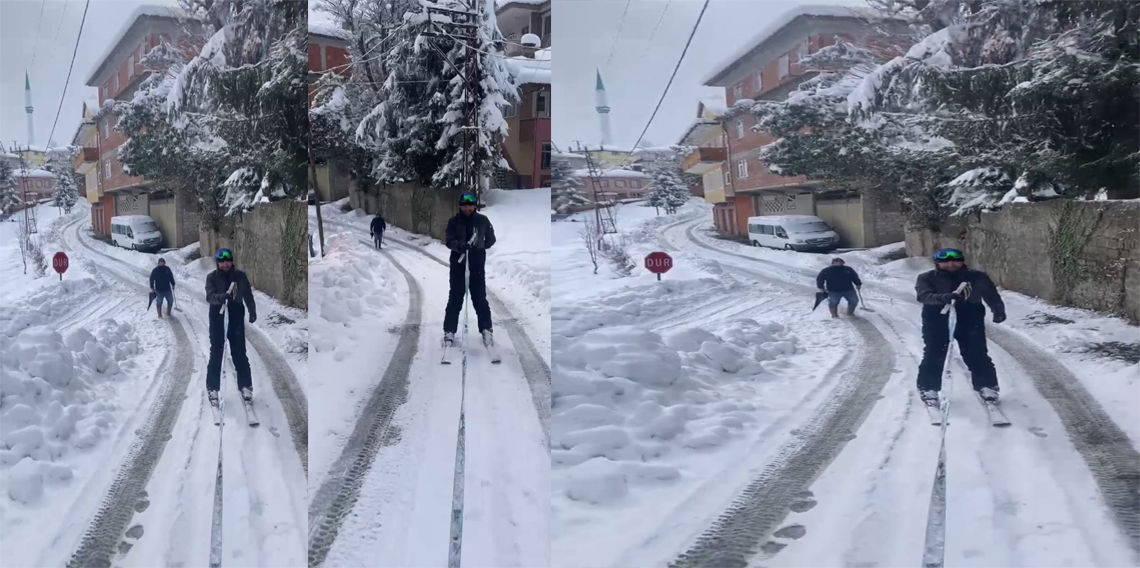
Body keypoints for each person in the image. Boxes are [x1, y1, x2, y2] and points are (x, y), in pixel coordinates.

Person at [915, 248, 1006, 404]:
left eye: (955, 260)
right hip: (937, 318)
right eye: (945, 262)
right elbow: (923, 296)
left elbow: (991, 294)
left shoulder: (977, 277)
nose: (951, 264)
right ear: (937, 263)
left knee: (976, 352)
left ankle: (987, 385)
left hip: (970, 316)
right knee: (934, 353)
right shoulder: (926, 278)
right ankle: (929, 388)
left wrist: (998, 309)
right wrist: (944, 297)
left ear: (962, 261)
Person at [205, 248, 257, 406]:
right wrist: (222, 297)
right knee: (217, 352)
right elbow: (209, 296)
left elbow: (247, 294)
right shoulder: (211, 277)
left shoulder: (240, 276)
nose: (225, 264)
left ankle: (246, 386)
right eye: (222, 262)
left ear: (232, 261)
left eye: (228, 261)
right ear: (217, 263)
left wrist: (252, 310)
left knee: (239, 352)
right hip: (218, 316)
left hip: (235, 315)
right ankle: (213, 388)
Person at [443, 193, 496, 347]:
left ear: (475, 206)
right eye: (464, 205)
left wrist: (479, 248)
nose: (467, 208)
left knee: (480, 298)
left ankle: (486, 329)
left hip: (476, 264)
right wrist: (460, 246)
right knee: (455, 297)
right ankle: (449, 330)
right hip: (458, 265)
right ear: (461, 206)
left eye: (470, 205)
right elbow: (449, 240)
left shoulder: (482, 221)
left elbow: (491, 239)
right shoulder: (454, 221)